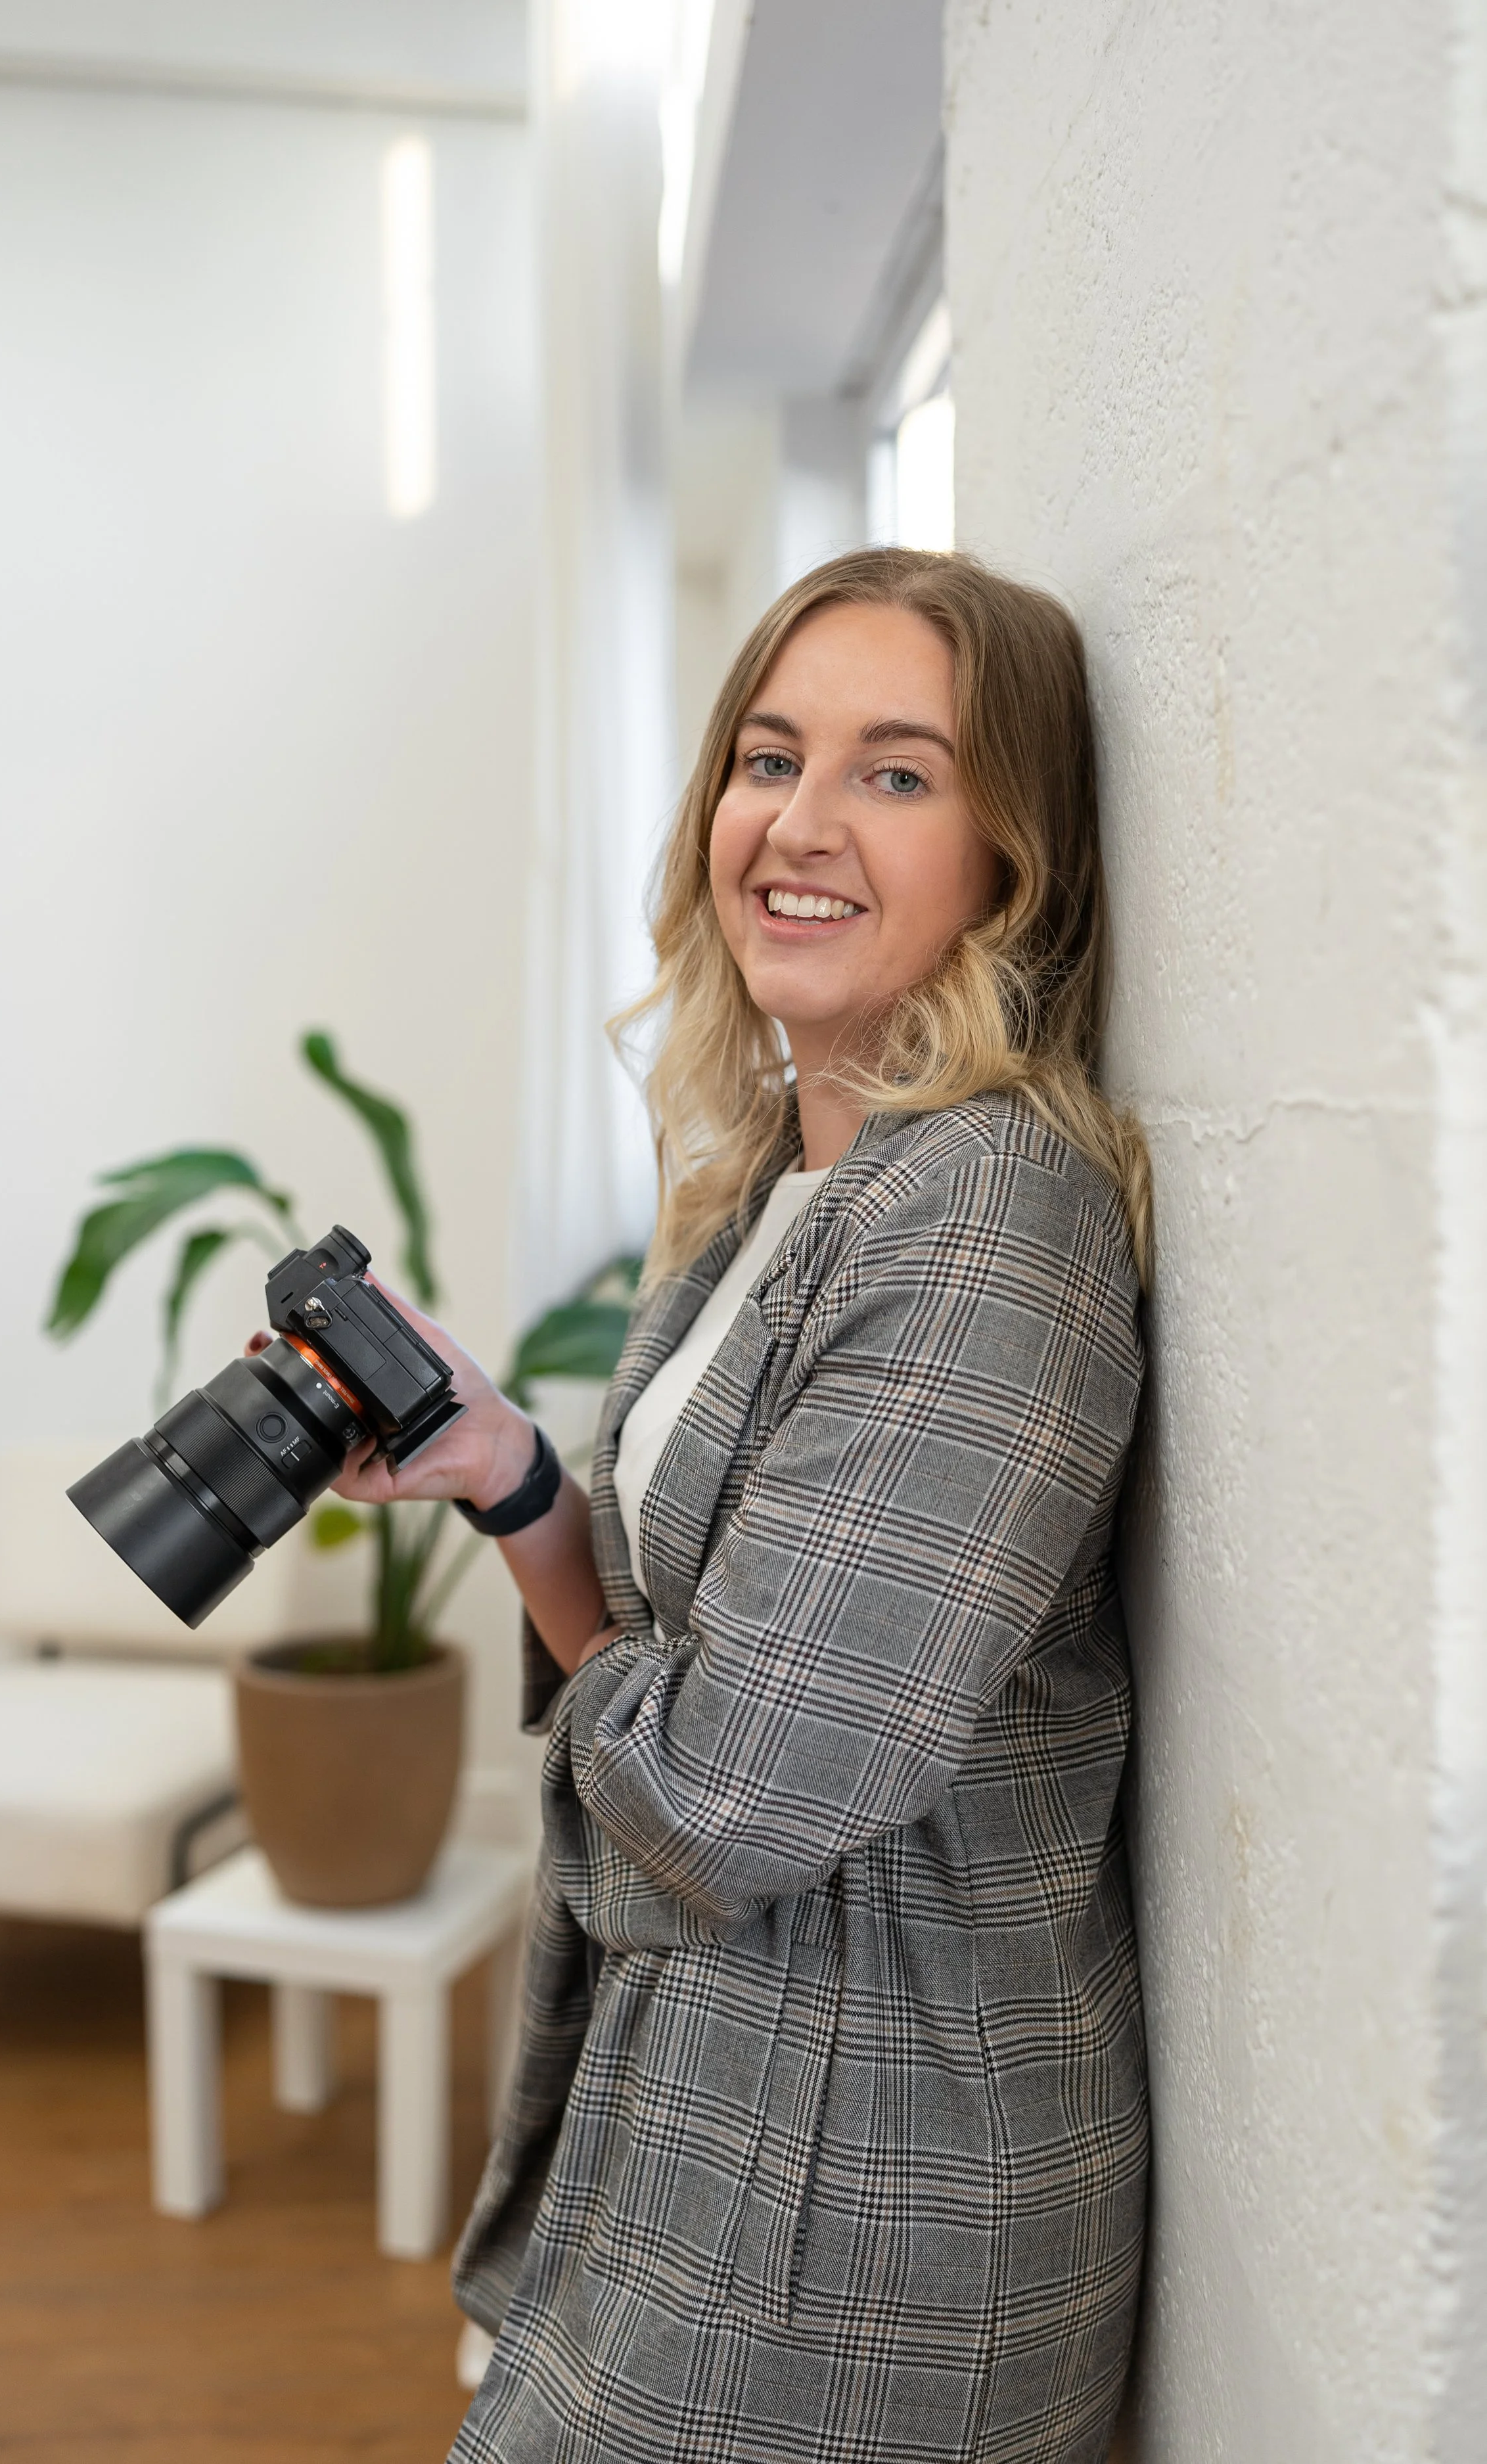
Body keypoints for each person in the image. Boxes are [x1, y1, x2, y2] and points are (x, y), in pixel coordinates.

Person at [336, 548, 1151, 2463]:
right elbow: (699, 1643)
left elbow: (717, 1794)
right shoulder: (794, 1169)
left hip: (858, 2190)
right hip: (736, 2104)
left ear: (1011, 858)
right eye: (767, 755)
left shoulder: (984, 1222)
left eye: (894, 772)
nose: (795, 822)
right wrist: (512, 1472)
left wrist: (605, 1655)